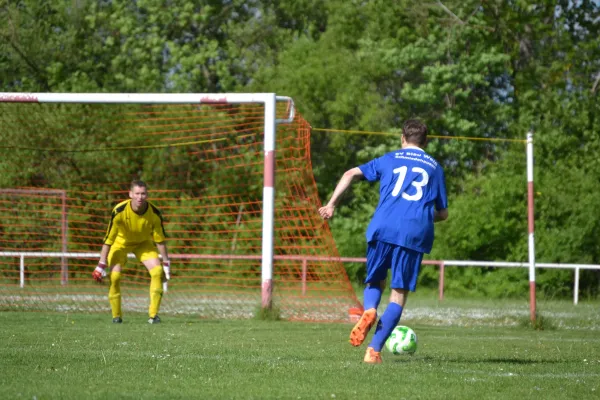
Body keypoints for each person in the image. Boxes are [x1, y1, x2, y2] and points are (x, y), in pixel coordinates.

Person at [319, 119, 448, 364]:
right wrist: (420, 214)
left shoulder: (390, 158)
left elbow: (350, 173)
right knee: (398, 295)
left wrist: (331, 204)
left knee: (375, 280)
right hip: (412, 233)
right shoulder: (435, 167)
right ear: (426, 141)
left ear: (403, 138)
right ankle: (373, 351)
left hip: (382, 226)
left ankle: (369, 309)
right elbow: (442, 213)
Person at [92, 180, 171, 324]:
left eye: (143, 194)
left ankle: (153, 316)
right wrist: (101, 264)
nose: (140, 197)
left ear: (147, 195)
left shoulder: (154, 213)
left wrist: (166, 263)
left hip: (143, 244)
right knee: (115, 277)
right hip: (120, 243)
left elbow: (160, 240)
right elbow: (109, 239)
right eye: (137, 194)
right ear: (130, 194)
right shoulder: (119, 211)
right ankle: (117, 316)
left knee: (157, 272)